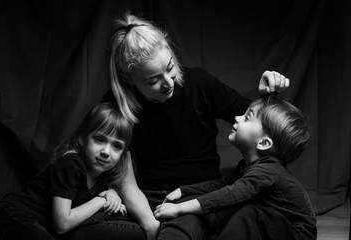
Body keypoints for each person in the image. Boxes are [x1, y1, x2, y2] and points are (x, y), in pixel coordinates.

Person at [103, 10, 290, 240]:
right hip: (142, 198)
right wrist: (150, 225)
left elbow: (260, 129)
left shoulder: (199, 83)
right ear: (129, 80)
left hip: (197, 196)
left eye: (170, 67)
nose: (168, 82)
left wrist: (265, 98)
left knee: (179, 233)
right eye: (153, 80)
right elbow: (126, 183)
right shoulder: (116, 106)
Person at [153, 95, 317, 240]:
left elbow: (229, 195)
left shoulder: (269, 171)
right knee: (232, 212)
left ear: (264, 143)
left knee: (249, 214)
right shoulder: (248, 166)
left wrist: (179, 209)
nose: (237, 118)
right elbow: (221, 185)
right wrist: (184, 191)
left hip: (297, 234)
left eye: (247, 118)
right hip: (272, 230)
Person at [0, 102, 147, 240]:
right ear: (82, 139)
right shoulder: (70, 164)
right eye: (100, 140)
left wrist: (112, 192)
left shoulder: (104, 177)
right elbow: (62, 223)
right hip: (12, 214)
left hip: (41, 226)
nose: (106, 151)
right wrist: (102, 200)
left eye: (117, 146)